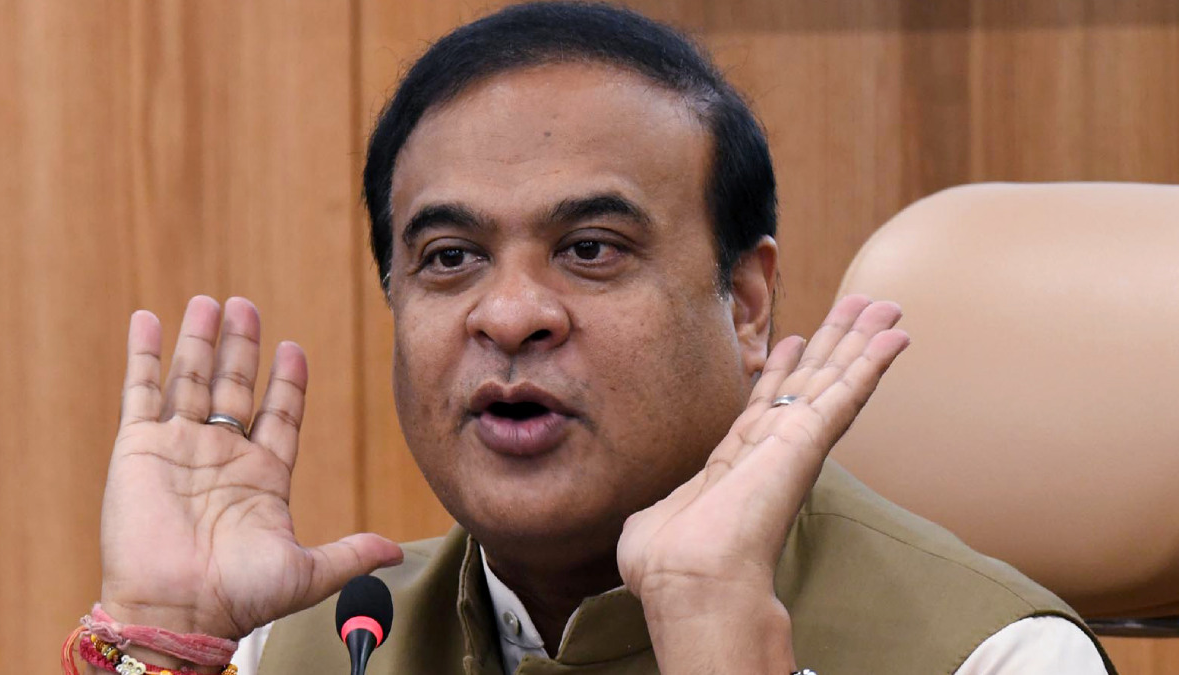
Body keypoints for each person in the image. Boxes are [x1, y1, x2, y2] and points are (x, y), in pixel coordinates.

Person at [85, 3, 1114, 674]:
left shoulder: (996, 658)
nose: (509, 315)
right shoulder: (316, 646)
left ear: (746, 304)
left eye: (590, 249)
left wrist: (716, 636)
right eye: (450, 257)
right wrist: (162, 627)